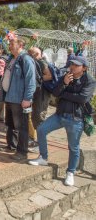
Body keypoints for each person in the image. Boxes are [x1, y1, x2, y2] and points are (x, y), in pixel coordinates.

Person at [28, 56, 96, 186]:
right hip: (60, 115)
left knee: (73, 147)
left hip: (76, 118)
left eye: (76, 65)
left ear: (84, 68)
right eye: (72, 64)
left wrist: (64, 93)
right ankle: (43, 157)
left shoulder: (89, 81)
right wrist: (64, 83)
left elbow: (82, 98)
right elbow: (55, 92)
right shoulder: (66, 76)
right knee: (41, 129)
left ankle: (70, 172)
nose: (73, 67)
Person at [0, 37, 36, 160]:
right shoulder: (11, 58)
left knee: (22, 127)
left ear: (20, 45)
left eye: (11, 43)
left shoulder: (26, 59)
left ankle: (22, 152)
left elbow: (31, 81)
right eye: (9, 43)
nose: (9, 45)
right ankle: (12, 146)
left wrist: (27, 98)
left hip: (20, 99)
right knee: (11, 124)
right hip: (10, 97)